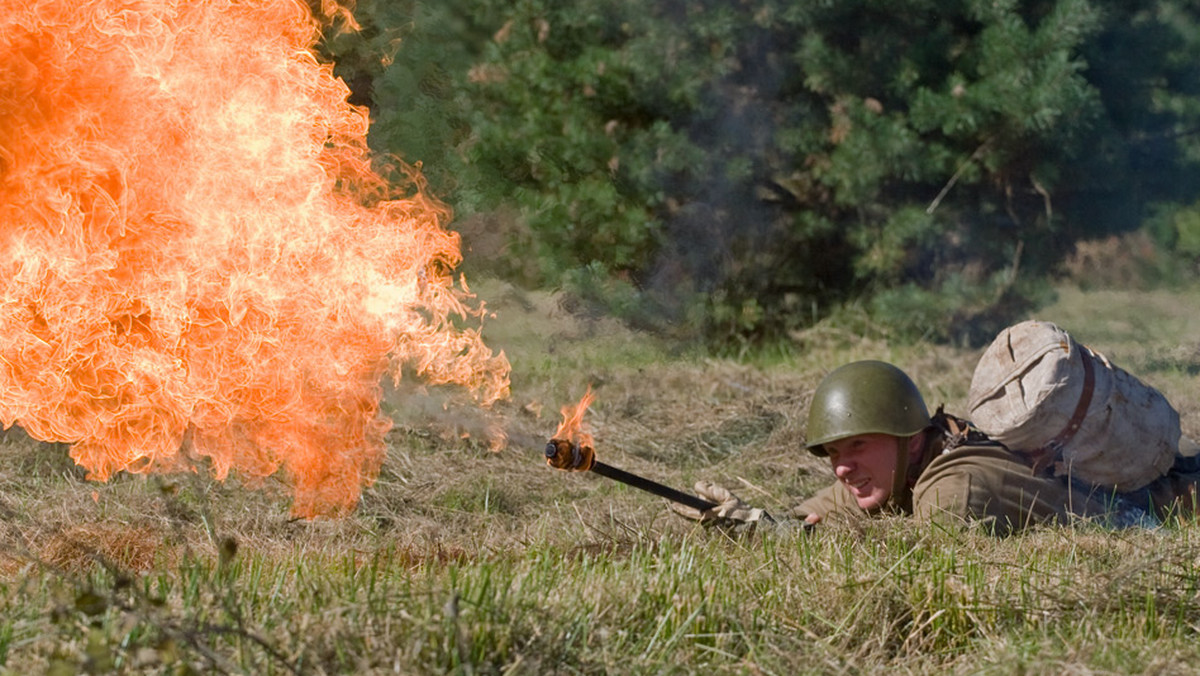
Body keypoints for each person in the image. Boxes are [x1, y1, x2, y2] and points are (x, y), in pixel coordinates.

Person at [675, 360, 1200, 535]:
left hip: (1173, 502)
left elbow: (917, 555)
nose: (842, 468)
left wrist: (794, 547)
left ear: (910, 439)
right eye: (833, 453)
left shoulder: (955, 486)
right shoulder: (893, 473)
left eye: (857, 444)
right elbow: (812, 519)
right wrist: (755, 525)